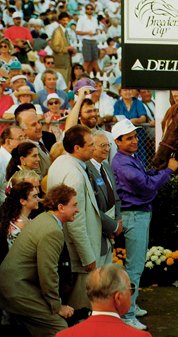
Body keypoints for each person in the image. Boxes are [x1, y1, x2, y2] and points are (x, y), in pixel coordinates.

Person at [111, 119, 178, 330]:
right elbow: (147, 186)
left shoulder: (129, 158)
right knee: (134, 267)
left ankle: (132, 305)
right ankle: (127, 314)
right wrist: (168, 171)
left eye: (135, 136)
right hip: (134, 215)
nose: (134, 141)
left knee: (135, 266)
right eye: (129, 138)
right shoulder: (123, 163)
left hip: (137, 214)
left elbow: (146, 176)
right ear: (118, 141)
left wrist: (162, 172)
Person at [0, 184, 78, 337]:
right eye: (74, 205)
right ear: (61, 207)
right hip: (17, 290)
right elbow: (48, 272)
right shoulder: (52, 231)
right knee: (60, 328)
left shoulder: (45, 219)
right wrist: (57, 307)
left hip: (15, 286)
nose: (78, 209)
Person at [47, 125, 102, 310]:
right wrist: (87, 257)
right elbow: (75, 223)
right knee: (81, 308)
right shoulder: (74, 175)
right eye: (90, 145)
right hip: (77, 254)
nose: (95, 148)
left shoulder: (61, 162)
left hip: (68, 249)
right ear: (77, 148)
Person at [56, 264, 152, 337]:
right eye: (130, 290)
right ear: (118, 298)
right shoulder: (140, 336)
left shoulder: (64, 335)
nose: (131, 294)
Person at [86, 131, 122, 266]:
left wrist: (118, 220)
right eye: (103, 145)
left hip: (110, 231)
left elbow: (115, 196)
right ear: (92, 147)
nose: (107, 149)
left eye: (108, 145)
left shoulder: (106, 166)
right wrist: (113, 227)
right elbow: (92, 207)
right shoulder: (87, 169)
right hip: (97, 232)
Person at [15, 103, 56, 177]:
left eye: (39, 122)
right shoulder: (25, 151)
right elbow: (37, 178)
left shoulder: (44, 140)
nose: (39, 126)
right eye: (33, 125)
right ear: (22, 130)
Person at [0, 181, 39, 250]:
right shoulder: (21, 224)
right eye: (34, 196)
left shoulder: (19, 218)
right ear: (23, 201)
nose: (38, 199)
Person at [0, 126, 26, 204]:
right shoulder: (1, 161)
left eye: (25, 137)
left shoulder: (16, 157)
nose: (25, 141)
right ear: (8, 142)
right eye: (20, 138)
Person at [50, 12, 76, 85]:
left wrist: (71, 50)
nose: (65, 22)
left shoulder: (65, 31)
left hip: (67, 62)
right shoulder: (57, 32)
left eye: (67, 20)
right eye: (63, 20)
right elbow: (55, 47)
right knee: (61, 84)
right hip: (60, 63)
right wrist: (67, 49)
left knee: (67, 83)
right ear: (59, 21)